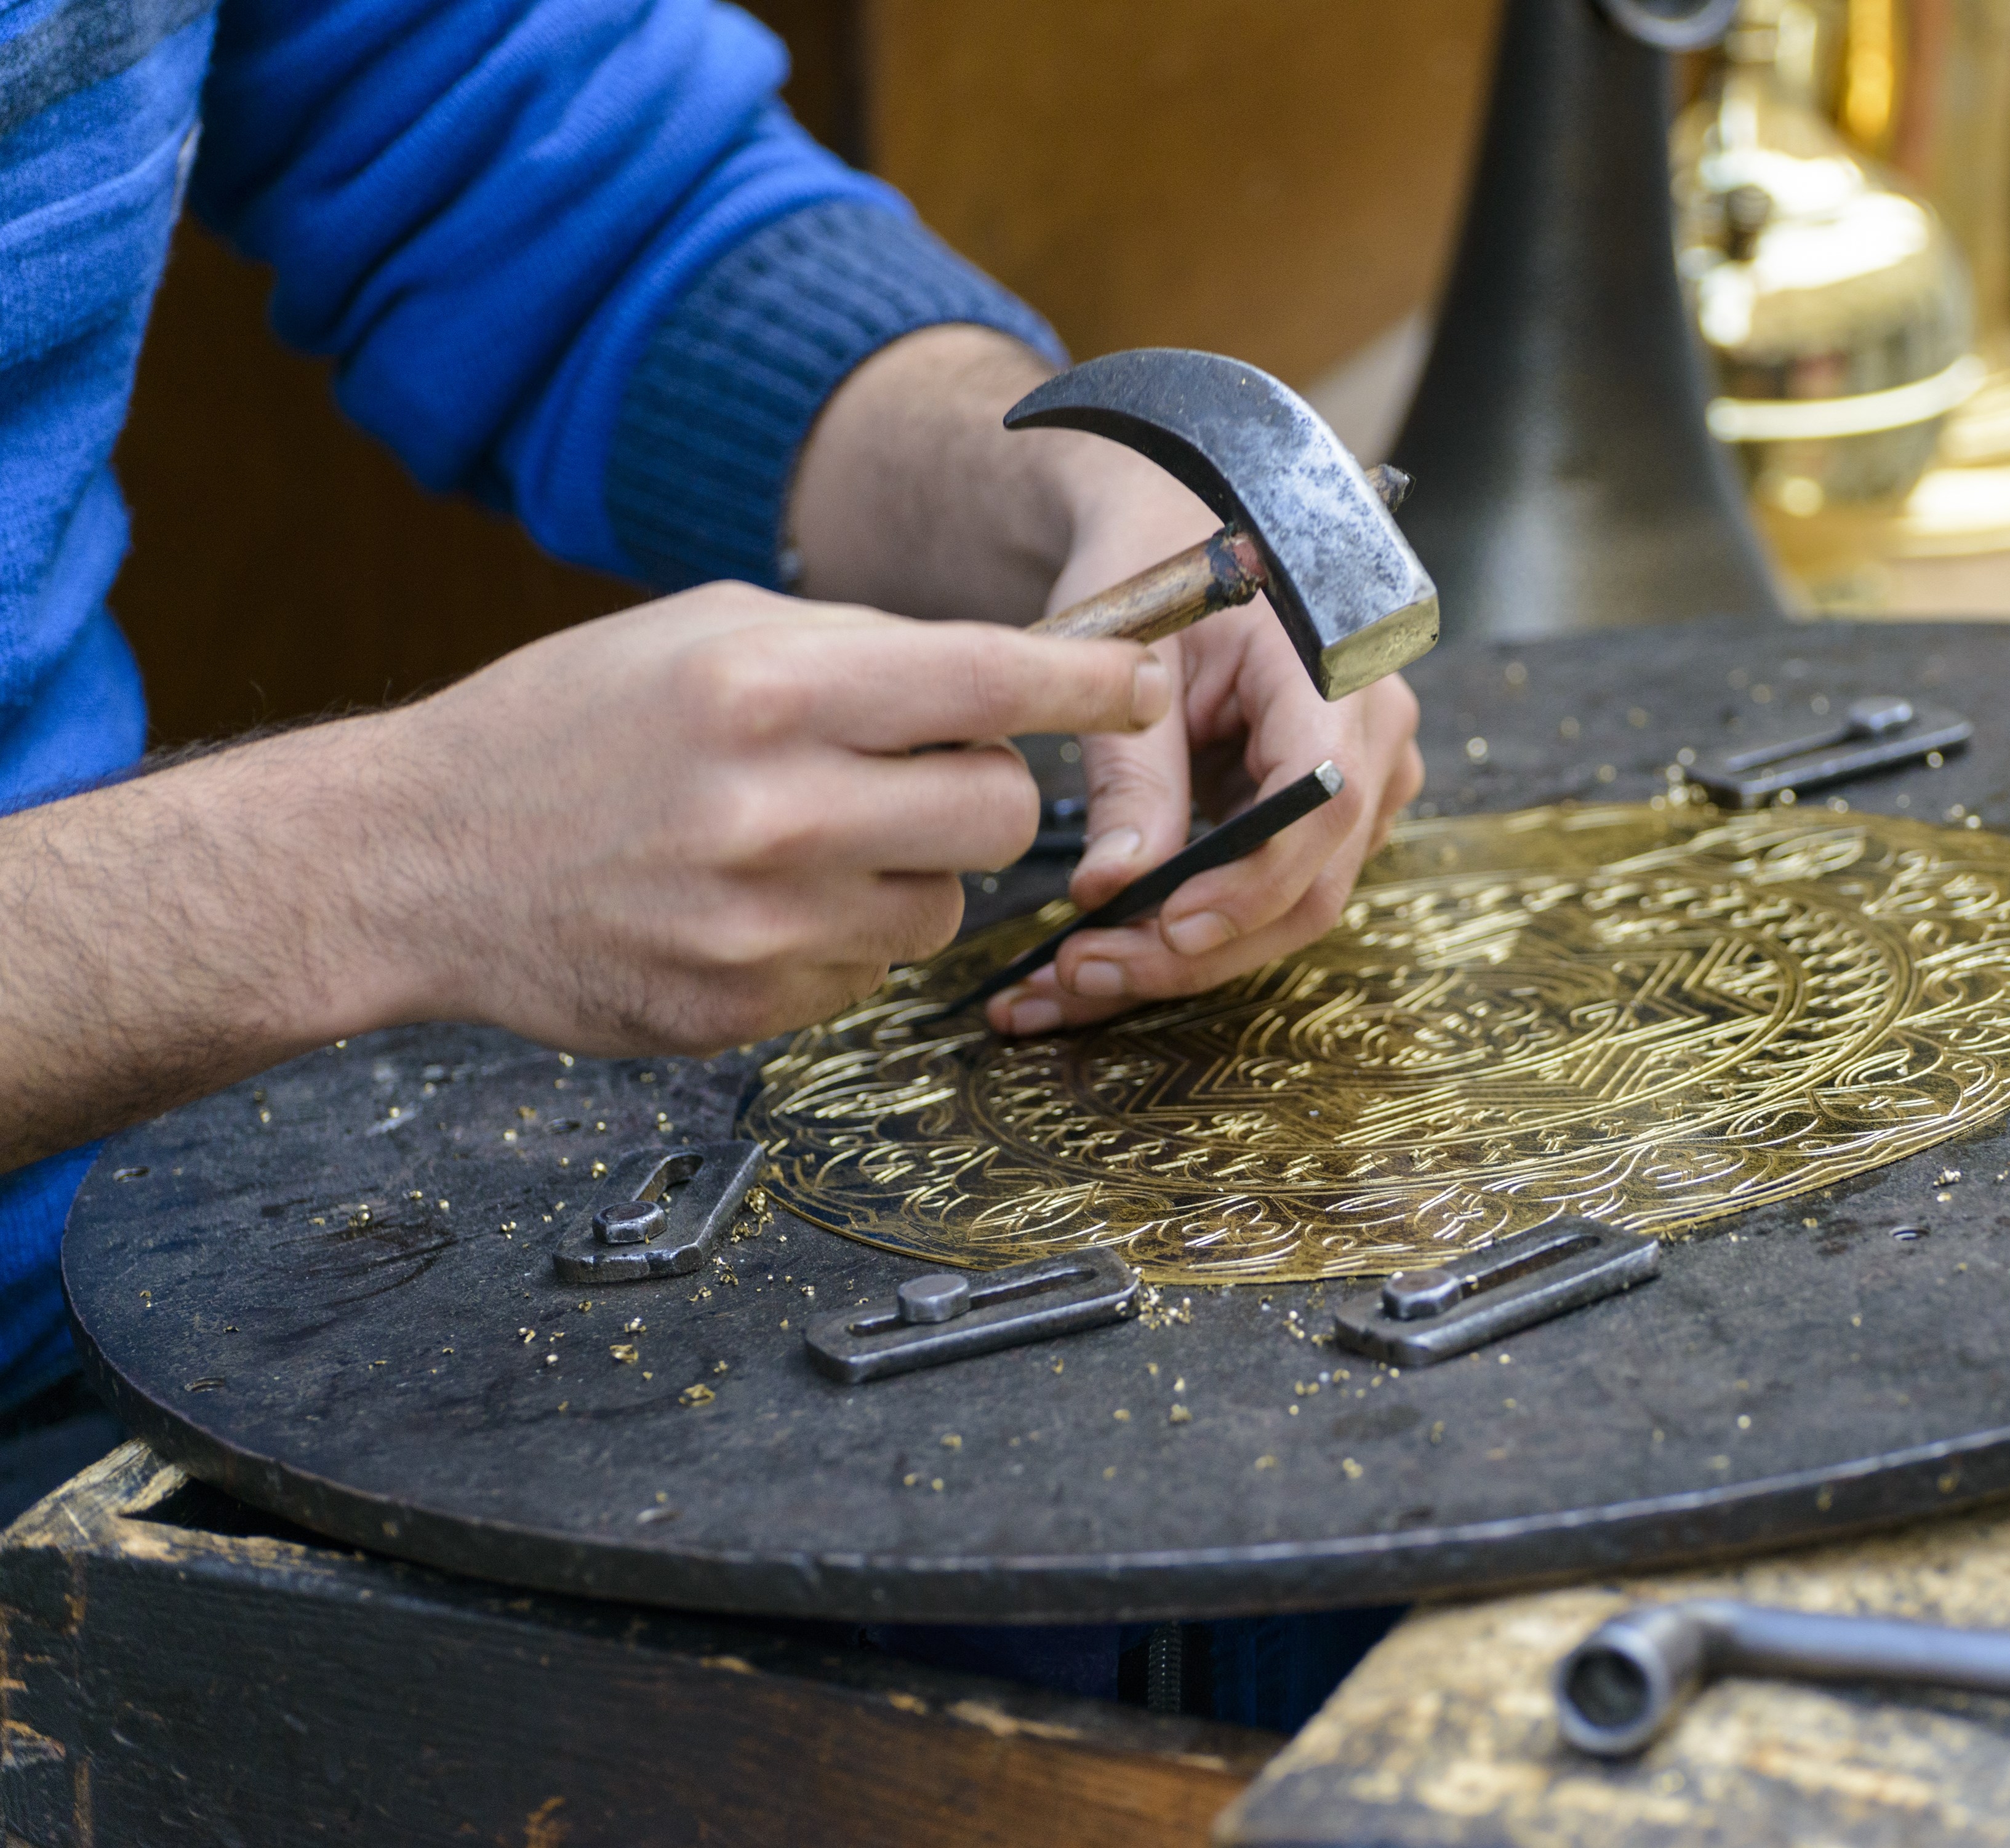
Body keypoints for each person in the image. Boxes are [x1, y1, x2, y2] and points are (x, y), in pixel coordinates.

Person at [0, 0, 1423, 1435]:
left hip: (132, 1254)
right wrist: (385, 859)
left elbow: (536, 162)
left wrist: (1035, 495)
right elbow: (389, 863)